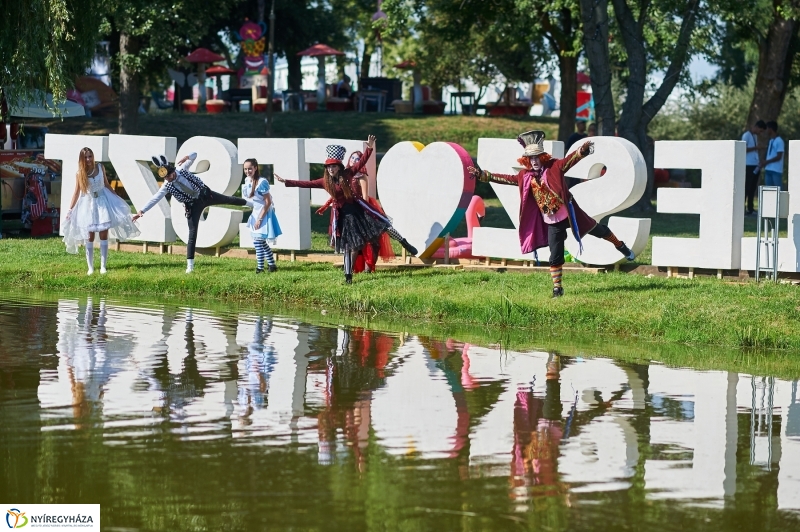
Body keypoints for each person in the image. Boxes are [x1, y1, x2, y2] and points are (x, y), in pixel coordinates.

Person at [467, 130, 634, 298]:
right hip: (552, 222)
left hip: (570, 214)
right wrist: (482, 175)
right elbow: (505, 178)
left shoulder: (554, 167)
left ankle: (620, 245)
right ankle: (557, 289)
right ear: (526, 160)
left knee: (598, 230)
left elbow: (570, 161)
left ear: (543, 157)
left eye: (537, 157)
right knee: (555, 255)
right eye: (531, 158)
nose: (534, 161)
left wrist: (582, 152)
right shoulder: (525, 176)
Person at [277, 135, 416, 284]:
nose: (331, 169)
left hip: (359, 209)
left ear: (339, 167)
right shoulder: (324, 182)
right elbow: (306, 183)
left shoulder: (347, 173)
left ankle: (404, 242)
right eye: (329, 167)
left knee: (383, 224)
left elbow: (361, 162)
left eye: (334, 166)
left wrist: (369, 148)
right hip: (344, 217)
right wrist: (286, 181)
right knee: (349, 247)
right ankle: (348, 276)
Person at [132, 153, 253, 273]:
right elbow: (155, 198)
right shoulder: (167, 185)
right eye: (165, 178)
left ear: (172, 171)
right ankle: (190, 266)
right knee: (192, 233)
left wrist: (187, 157)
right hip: (193, 206)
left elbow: (195, 155)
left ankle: (251, 204)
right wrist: (142, 211)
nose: (168, 179)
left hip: (205, 195)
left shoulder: (182, 169)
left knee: (229, 200)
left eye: (169, 176)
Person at [62, 147, 141, 274]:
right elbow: (76, 193)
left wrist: (117, 198)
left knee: (104, 233)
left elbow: (106, 184)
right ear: (82, 159)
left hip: (103, 202)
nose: (88, 159)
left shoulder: (100, 167)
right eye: (86, 157)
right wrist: (70, 210)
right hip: (88, 205)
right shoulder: (80, 173)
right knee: (90, 236)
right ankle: (90, 268)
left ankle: (103, 266)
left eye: (90, 156)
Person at [317, 150, 395, 273]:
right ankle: (352, 268)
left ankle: (368, 267)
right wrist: (327, 204)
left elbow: (365, 197)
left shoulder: (361, 177)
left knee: (372, 239)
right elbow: (338, 194)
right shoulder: (342, 176)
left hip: (362, 209)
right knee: (353, 242)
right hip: (347, 211)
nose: (354, 160)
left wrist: (365, 214)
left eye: (357, 159)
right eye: (352, 158)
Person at [242, 158, 281, 273]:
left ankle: (260, 268)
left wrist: (260, 219)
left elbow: (268, 202)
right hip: (256, 212)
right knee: (261, 242)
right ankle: (272, 265)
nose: (247, 171)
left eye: (250, 168)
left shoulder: (262, 182)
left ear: (255, 168)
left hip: (264, 213)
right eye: (245, 169)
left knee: (258, 242)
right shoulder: (248, 180)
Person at [743, 120, 766, 215]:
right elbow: (743, 148)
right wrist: (756, 148)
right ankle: (742, 208)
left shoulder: (755, 136)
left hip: (755, 164)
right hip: (748, 164)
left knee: (753, 188)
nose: (760, 133)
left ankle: (750, 208)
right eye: (760, 131)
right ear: (756, 127)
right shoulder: (746, 135)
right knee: (746, 187)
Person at [763, 120, 784, 191]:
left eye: (767, 129)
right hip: (768, 168)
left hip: (776, 169)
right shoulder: (771, 140)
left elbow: (779, 156)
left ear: (770, 129)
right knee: (769, 190)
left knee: (778, 190)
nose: (766, 131)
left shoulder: (779, 141)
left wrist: (767, 161)